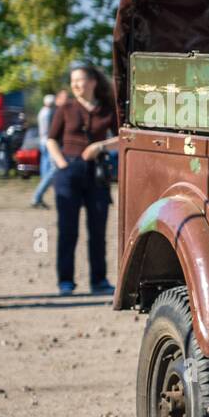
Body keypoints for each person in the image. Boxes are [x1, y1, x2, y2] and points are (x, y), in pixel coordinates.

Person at [45, 64, 120, 296]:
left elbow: (124, 138)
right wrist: (62, 164)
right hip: (69, 171)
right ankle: (65, 281)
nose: (76, 85)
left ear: (93, 82)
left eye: (80, 80)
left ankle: (99, 280)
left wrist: (101, 146)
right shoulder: (65, 107)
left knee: (97, 229)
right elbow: (51, 139)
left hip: (96, 172)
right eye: (73, 81)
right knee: (68, 229)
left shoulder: (107, 109)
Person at [30, 93, 58, 207]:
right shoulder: (50, 113)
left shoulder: (42, 111)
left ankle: (41, 192)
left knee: (46, 168)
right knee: (53, 169)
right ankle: (38, 195)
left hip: (43, 141)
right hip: (49, 142)